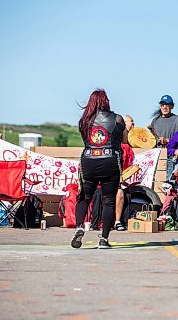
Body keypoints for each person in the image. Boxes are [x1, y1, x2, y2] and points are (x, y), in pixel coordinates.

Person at [71, 89, 127, 249]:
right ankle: (103, 239)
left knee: (84, 197)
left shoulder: (84, 121)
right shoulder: (117, 119)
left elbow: (86, 140)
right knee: (108, 201)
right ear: (106, 101)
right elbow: (124, 140)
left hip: (89, 160)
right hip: (110, 160)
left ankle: (80, 226)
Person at [150, 95, 178, 178]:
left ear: (172, 106)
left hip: (172, 156)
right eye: (162, 104)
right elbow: (151, 140)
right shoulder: (155, 121)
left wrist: (168, 140)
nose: (165, 107)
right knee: (157, 180)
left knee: (170, 181)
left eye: (167, 104)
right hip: (158, 155)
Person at [114, 115, 135, 231]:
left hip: (123, 179)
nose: (133, 125)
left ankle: (117, 221)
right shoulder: (117, 143)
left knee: (121, 193)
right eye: (131, 122)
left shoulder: (129, 145)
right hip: (112, 177)